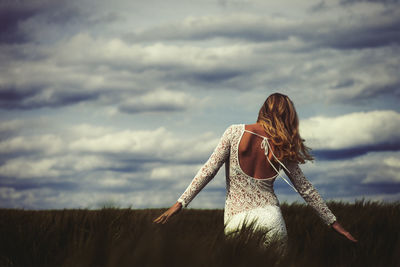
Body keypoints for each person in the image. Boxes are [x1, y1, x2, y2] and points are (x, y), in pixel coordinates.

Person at [153, 93, 357, 248]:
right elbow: (306, 189)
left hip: (237, 221)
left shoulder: (234, 132)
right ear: (288, 117)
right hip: (271, 220)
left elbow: (209, 170)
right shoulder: (282, 145)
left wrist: (180, 204)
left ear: (264, 110)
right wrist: (335, 224)